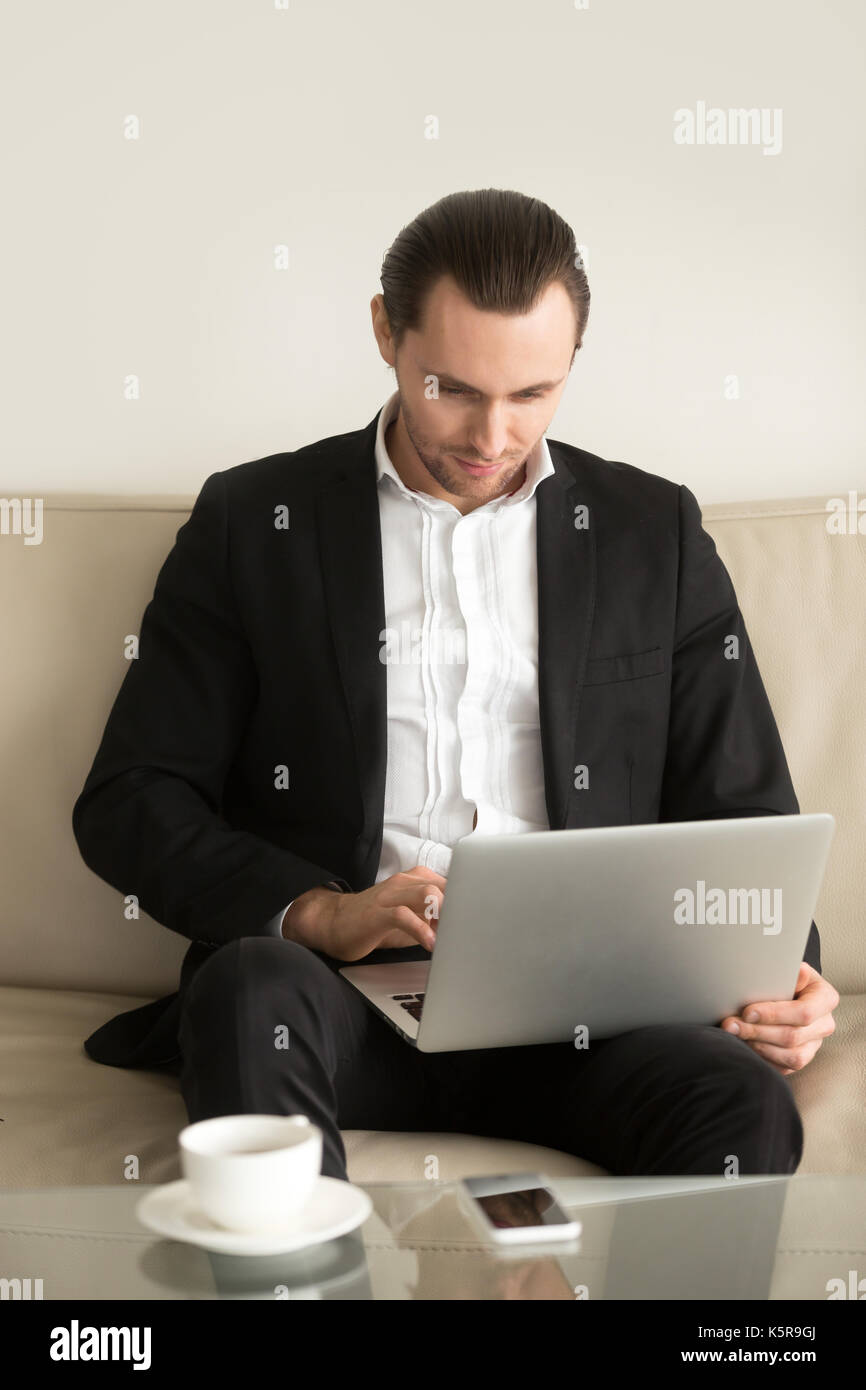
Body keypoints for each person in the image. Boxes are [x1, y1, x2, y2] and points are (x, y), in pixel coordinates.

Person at [73, 188, 839, 1184]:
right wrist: (315, 911)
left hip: (592, 1022)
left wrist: (777, 979)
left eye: (532, 394)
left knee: (736, 1100)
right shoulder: (252, 523)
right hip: (332, 1000)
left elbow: (746, 822)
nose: (489, 436)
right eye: (452, 388)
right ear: (386, 332)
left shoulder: (655, 535)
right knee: (247, 989)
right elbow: (132, 800)